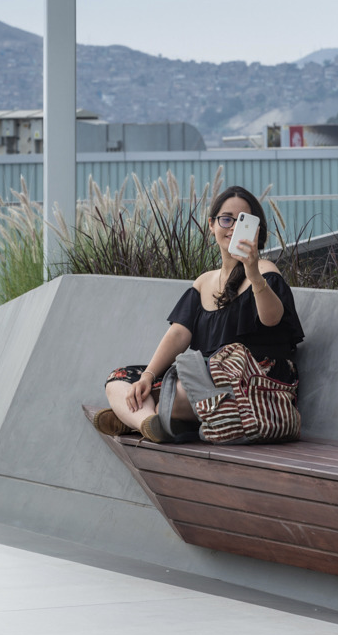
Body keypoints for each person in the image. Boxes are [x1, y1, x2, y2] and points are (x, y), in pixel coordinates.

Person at [94, 185, 304, 444]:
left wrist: (253, 274)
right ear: (211, 225)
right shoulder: (204, 282)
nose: (232, 228)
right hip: (204, 380)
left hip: (251, 382)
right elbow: (179, 333)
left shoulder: (264, 270)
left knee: (176, 394)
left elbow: (271, 319)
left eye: (242, 221)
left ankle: (144, 417)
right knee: (120, 381)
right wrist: (147, 376)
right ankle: (149, 423)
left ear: (256, 230)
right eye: (226, 219)